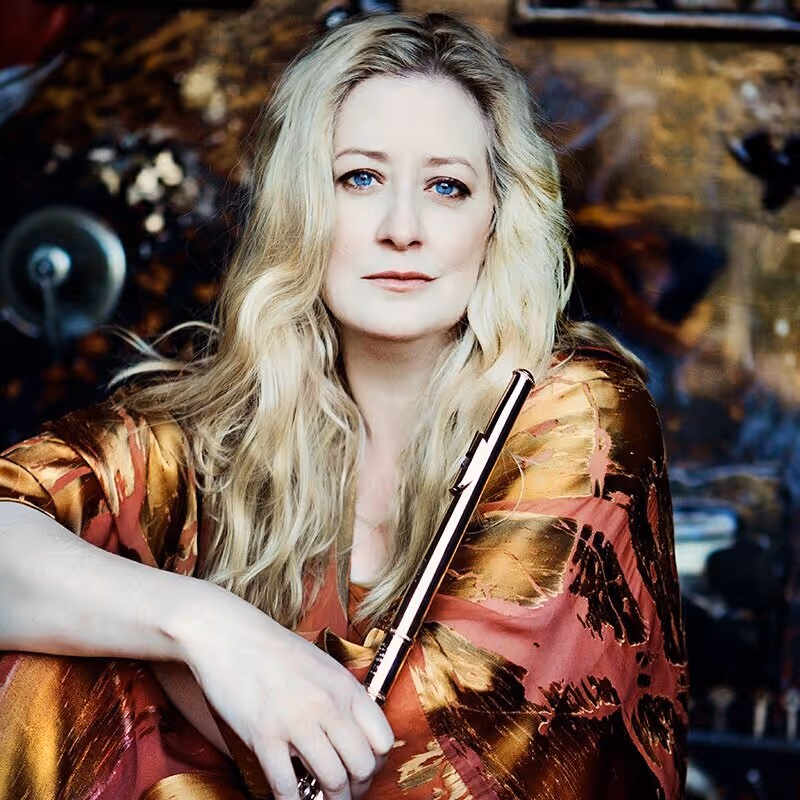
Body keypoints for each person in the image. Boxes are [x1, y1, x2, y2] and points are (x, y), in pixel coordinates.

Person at [0, 11, 688, 800]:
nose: (403, 229)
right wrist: (202, 628)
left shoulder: (576, 408)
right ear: (301, 207)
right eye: (359, 178)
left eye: (447, 187)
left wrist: (159, 654)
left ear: (499, 218)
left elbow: (413, 758)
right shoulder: (217, 426)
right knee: (46, 668)